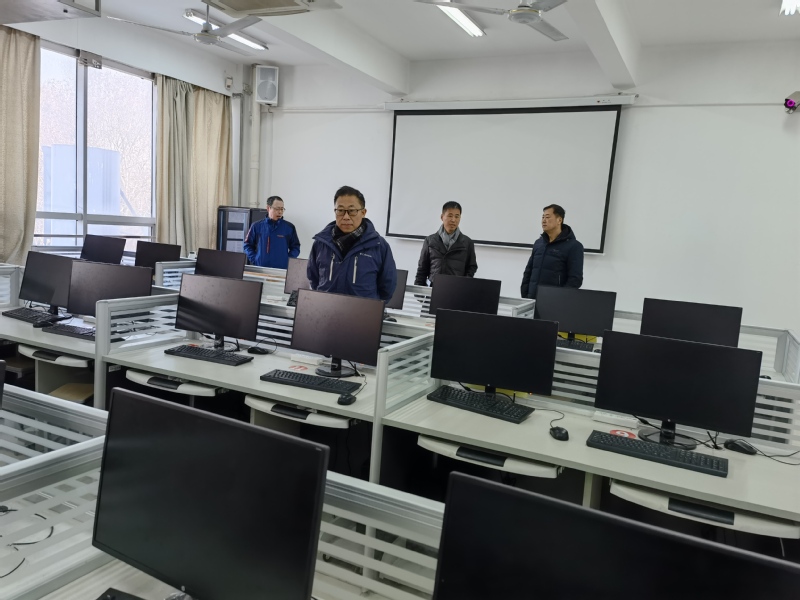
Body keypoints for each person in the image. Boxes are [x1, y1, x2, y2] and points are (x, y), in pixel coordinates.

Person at [307, 186, 397, 302]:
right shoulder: (321, 244)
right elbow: (313, 279)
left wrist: (372, 307)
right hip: (326, 309)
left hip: (363, 312)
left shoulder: (379, 245)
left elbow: (387, 287)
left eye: (352, 211)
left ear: (363, 212)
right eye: (340, 210)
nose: (345, 217)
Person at [520, 204, 584, 300]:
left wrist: (559, 299)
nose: (543, 220)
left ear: (559, 220)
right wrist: (525, 295)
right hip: (531, 299)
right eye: (543, 217)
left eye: (547, 217)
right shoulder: (538, 243)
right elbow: (528, 271)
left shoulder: (574, 246)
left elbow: (575, 280)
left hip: (554, 302)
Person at [414, 201, 478, 286]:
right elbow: (422, 268)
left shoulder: (467, 242)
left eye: (457, 216)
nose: (453, 220)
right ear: (442, 217)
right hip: (434, 287)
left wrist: (464, 285)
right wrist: (419, 290)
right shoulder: (430, 241)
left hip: (456, 288)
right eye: (450, 216)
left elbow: (472, 267)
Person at [243, 195, 300, 269]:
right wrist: (255, 259)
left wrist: (287, 261)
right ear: (268, 208)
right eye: (277, 209)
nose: (280, 212)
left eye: (282, 209)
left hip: (282, 270)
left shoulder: (289, 227)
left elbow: (296, 247)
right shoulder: (256, 226)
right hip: (261, 269)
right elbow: (247, 245)